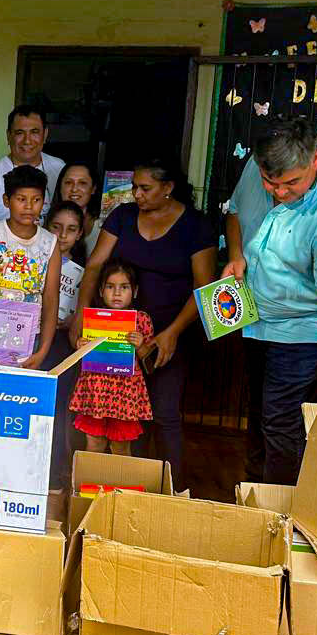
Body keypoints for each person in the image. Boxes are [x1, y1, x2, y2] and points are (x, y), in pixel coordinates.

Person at [223, 116, 317, 487]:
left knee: (281, 422)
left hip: (301, 332)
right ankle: (254, 494)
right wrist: (236, 255)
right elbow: (234, 214)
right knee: (260, 415)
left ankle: (281, 510)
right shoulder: (262, 163)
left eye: (291, 183)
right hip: (255, 319)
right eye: (270, 183)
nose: (279, 192)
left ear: (315, 158)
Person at [72, 161, 216, 486]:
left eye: (145, 188)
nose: (136, 194)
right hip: (116, 334)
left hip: (169, 333)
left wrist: (172, 334)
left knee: (164, 414)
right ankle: (115, 490)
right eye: (134, 187)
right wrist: (82, 314)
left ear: (169, 188)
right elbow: (95, 265)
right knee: (114, 414)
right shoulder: (123, 216)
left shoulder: (195, 226)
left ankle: (169, 493)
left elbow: (204, 288)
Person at [0, 165, 61, 369]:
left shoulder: (50, 243)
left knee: (18, 396)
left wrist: (42, 350)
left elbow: (51, 299)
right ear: (6, 201)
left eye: (36, 200)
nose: (29, 206)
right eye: (21, 199)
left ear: (44, 202)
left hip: (29, 338)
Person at [70, 259, 155, 455]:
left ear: (134, 291)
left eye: (124, 287)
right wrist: (80, 345)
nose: (117, 293)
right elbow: (81, 353)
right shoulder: (93, 318)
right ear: (100, 290)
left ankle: (119, 485)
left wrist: (141, 345)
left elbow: (150, 364)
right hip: (95, 391)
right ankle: (90, 485)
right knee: (93, 444)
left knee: (121, 447)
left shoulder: (141, 320)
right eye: (110, 287)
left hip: (126, 394)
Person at [42, 199, 88, 485]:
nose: (63, 235)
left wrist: (74, 322)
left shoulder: (86, 269)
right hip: (35, 339)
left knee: (59, 405)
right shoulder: (34, 258)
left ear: (80, 234)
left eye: (71, 230)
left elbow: (88, 307)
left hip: (64, 341)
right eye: (56, 228)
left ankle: (55, 469)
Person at [0, 104, 66, 236]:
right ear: (8, 136)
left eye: (34, 132)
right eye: (19, 133)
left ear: (45, 135)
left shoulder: (59, 168)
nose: (27, 141)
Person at [51, 160, 100, 258]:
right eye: (68, 182)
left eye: (82, 183)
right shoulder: (46, 221)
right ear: (60, 187)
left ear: (93, 188)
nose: (74, 189)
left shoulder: (104, 226)